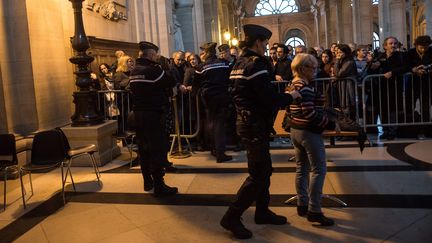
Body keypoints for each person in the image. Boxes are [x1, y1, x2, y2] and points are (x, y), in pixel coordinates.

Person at [220, 24, 301, 239]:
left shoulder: (239, 62)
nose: (267, 47)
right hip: (253, 124)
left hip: (248, 122)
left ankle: (262, 212)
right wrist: (290, 97)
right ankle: (231, 216)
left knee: (264, 170)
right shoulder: (256, 64)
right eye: (265, 43)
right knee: (259, 174)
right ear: (257, 42)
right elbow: (268, 99)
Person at [284, 53, 339, 227]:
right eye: (312, 67)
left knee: (302, 168)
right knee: (319, 170)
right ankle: (314, 210)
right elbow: (310, 113)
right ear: (302, 69)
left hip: (295, 131)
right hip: (308, 132)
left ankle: (302, 203)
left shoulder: (293, 84)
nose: (315, 70)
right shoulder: (305, 87)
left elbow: (295, 107)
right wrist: (330, 124)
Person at [129, 41, 178, 196]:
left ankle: (147, 181)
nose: (157, 57)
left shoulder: (134, 70)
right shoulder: (153, 70)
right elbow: (171, 81)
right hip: (153, 115)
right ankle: (159, 185)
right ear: (151, 55)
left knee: (143, 149)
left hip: (139, 115)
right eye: (156, 54)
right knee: (157, 149)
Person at [195, 42, 232, 162]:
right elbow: (230, 79)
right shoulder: (225, 64)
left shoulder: (201, 67)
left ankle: (214, 149)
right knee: (219, 125)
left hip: (208, 99)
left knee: (210, 123)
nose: (202, 54)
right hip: (222, 97)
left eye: (203, 52)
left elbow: (196, 83)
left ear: (208, 52)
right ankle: (220, 153)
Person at [406, 35, 432, 139]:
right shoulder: (410, 52)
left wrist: (427, 67)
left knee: (425, 108)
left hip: (427, 84)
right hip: (413, 84)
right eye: (421, 47)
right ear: (416, 45)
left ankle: (424, 130)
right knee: (409, 106)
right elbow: (406, 65)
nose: (423, 49)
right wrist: (414, 69)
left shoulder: (431, 51)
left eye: (426, 47)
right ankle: (411, 129)